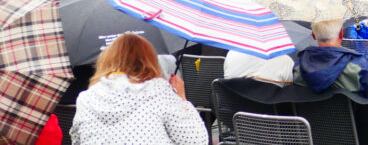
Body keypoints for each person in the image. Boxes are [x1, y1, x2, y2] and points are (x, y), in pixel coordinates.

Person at [71, 33, 207, 145]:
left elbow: (77, 139)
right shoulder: (159, 90)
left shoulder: (86, 97)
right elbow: (195, 141)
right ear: (149, 59)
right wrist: (181, 99)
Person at [294, 18, 368, 145]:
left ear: (313, 34)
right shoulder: (357, 65)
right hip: (361, 133)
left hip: (315, 134)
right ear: (341, 33)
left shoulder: (298, 68)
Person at [224, 51, 294, 86]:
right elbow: (292, 84)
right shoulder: (286, 61)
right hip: (271, 111)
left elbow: (227, 77)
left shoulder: (232, 54)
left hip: (233, 110)